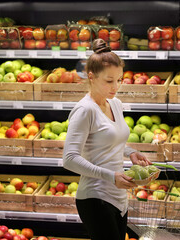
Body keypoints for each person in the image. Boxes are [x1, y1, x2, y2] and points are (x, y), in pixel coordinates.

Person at [63, 38, 151, 240]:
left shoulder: (115, 104)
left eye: (119, 80)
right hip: (95, 197)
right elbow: (69, 158)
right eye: (109, 81)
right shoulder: (85, 110)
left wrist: (131, 153)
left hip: (118, 196)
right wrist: (111, 176)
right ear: (91, 77)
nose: (116, 86)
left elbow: (111, 141)